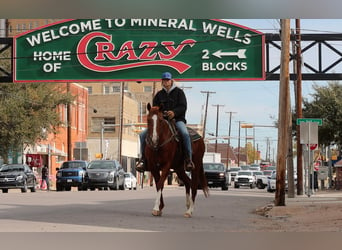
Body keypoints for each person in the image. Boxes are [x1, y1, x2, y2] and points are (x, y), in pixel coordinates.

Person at [136, 72, 194, 172]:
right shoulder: (159, 95)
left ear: (171, 80)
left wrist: (174, 112)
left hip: (177, 120)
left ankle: (188, 159)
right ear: (162, 81)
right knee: (142, 135)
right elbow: (154, 110)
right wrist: (161, 114)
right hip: (161, 121)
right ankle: (143, 160)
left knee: (184, 133)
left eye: (168, 80)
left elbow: (183, 107)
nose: (166, 82)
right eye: (164, 80)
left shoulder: (179, 92)